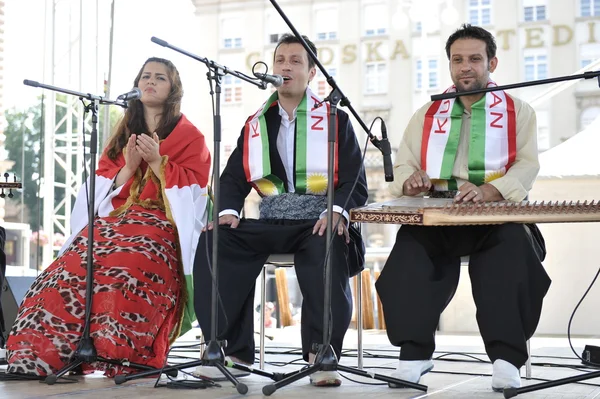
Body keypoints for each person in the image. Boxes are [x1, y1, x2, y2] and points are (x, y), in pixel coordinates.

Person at [5, 57, 211, 377]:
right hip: (115, 221)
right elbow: (100, 185)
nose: (150, 82)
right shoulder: (123, 132)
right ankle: (48, 355)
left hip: (159, 225)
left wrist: (158, 163)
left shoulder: (190, 136)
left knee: (129, 264)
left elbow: (195, 191)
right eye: (145, 76)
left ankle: (125, 356)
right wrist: (128, 169)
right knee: (68, 267)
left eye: (160, 78)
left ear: (174, 89)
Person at [376, 24, 551, 392]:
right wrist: (410, 181)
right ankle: (414, 354)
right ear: (450, 65)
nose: (465, 67)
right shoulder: (428, 113)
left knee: (511, 251)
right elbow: (404, 163)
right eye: (458, 60)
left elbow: (527, 166)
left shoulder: (518, 111)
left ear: (492, 62)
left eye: (474, 58)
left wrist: (490, 190)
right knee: (409, 252)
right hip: (440, 214)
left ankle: (506, 359)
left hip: (495, 214)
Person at [193, 33, 368, 387]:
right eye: (280, 60)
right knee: (217, 239)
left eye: (295, 61)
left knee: (325, 245)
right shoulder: (256, 123)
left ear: (312, 72)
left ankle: (322, 353)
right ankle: (229, 350)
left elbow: (355, 181)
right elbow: (231, 178)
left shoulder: (335, 120)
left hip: (318, 220)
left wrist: (336, 211)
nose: (285, 66)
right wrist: (227, 210)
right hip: (272, 218)